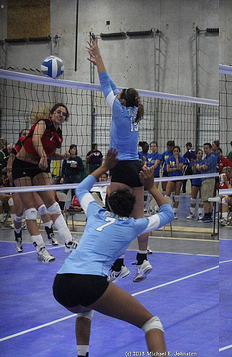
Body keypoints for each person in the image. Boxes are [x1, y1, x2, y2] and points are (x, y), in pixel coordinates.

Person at [53, 148, 173, 357]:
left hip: (61, 283)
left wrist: (105, 167)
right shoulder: (134, 224)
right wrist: (151, 187)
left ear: (107, 202)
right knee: (152, 323)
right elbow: (168, 212)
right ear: (131, 208)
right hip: (90, 282)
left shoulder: (95, 212)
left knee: (84, 310)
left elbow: (81, 189)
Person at [87, 35, 151, 283]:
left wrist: (99, 56)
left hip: (121, 167)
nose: (117, 95)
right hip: (135, 165)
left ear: (122, 101)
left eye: (120, 95)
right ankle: (142, 260)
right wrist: (98, 64)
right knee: (138, 216)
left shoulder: (120, 111)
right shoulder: (133, 111)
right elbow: (113, 86)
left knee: (116, 216)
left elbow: (105, 85)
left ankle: (118, 265)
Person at [12, 104, 76, 262]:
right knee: (31, 209)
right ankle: (40, 249)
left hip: (37, 167)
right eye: (58, 112)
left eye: (63, 114)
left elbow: (51, 154)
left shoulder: (58, 135)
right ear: (52, 114)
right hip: (22, 166)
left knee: (52, 204)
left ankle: (69, 241)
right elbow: (35, 139)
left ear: (65, 118)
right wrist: (42, 156)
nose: (60, 115)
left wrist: (62, 156)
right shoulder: (43, 123)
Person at [197, 143, 218, 223]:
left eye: (206, 148)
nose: (205, 150)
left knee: (206, 199)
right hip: (205, 179)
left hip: (208, 179)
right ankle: (208, 214)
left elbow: (204, 167)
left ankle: (207, 215)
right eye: (204, 148)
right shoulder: (206, 157)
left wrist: (201, 167)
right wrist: (201, 167)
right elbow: (201, 167)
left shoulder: (212, 157)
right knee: (207, 198)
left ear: (210, 149)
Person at [164, 146, 185, 219]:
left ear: (179, 152)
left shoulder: (182, 159)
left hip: (179, 178)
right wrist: (176, 168)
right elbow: (168, 169)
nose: (176, 153)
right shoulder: (169, 158)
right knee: (167, 194)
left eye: (177, 151)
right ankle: (167, 210)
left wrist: (176, 159)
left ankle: (175, 211)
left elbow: (180, 167)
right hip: (171, 177)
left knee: (177, 195)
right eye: (174, 151)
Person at [187, 148, 204, 220]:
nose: (200, 155)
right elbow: (194, 170)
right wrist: (194, 164)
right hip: (195, 181)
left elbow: (201, 170)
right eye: (199, 153)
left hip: (202, 181)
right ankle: (192, 213)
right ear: (196, 154)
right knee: (193, 198)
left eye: (201, 154)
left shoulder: (204, 162)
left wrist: (198, 167)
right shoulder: (193, 162)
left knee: (201, 198)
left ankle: (200, 213)